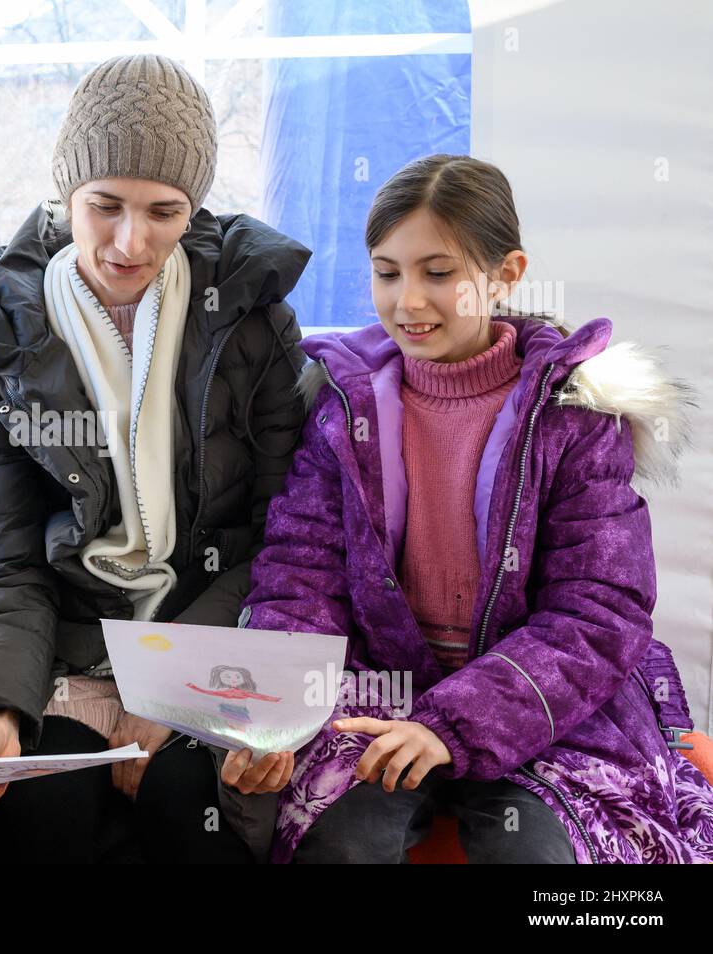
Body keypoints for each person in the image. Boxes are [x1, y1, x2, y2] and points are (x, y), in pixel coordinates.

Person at [242, 153, 713, 863]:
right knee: (339, 849)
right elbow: (300, 573)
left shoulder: (577, 416)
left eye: (439, 273)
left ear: (507, 273)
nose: (409, 301)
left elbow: (599, 612)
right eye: (387, 271)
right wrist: (274, 715)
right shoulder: (344, 404)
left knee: (541, 859)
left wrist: (454, 723)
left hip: (545, 708)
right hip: (383, 696)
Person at [0, 54, 311, 863]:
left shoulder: (252, 318)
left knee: (189, 811)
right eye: (106, 206)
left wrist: (174, 687)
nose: (132, 242)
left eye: (165, 212)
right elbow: (8, 559)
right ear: (65, 195)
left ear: (195, 207)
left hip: (211, 634)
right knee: (36, 813)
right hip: (62, 646)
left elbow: (284, 543)